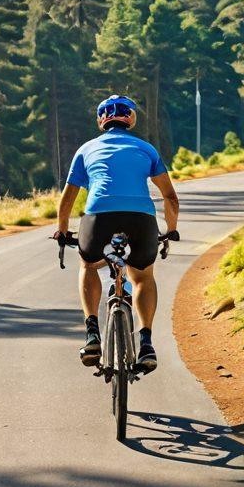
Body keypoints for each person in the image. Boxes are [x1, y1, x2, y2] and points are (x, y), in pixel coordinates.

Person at [54, 95, 179, 373]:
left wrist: (63, 231)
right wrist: (170, 230)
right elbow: (170, 197)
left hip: (99, 217)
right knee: (143, 277)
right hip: (140, 219)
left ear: (101, 121)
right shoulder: (147, 150)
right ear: (131, 119)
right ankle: (145, 342)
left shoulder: (86, 149)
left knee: (88, 265)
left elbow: (67, 199)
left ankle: (92, 335)